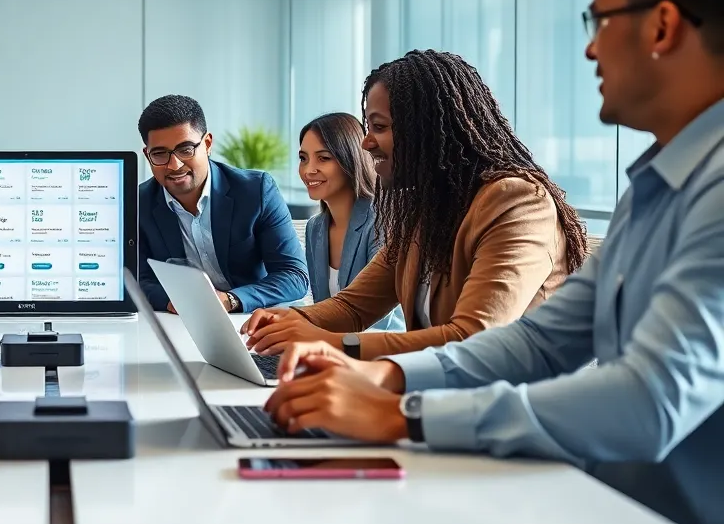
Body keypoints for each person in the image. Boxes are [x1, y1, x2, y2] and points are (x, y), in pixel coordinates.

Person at [264, 0, 724, 524]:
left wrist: (404, 415)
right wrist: (384, 379)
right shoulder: (657, 187)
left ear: (662, 27)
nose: (590, 51)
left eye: (599, 19)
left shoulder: (707, 191)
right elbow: (538, 344)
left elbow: (650, 400)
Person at [241, 50, 587, 360]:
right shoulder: (426, 212)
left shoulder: (517, 202)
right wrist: (290, 321)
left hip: (512, 412)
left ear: (428, 130)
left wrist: (331, 344)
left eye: (379, 127)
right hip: (442, 398)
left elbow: (473, 339)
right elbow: (353, 305)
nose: (366, 142)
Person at [136, 94, 308, 313]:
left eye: (186, 149)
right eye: (160, 154)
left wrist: (230, 299)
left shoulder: (256, 191)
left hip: (250, 318)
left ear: (207, 144)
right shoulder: (138, 203)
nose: (174, 165)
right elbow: (133, 280)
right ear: (147, 154)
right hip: (179, 320)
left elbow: (294, 276)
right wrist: (171, 301)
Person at [297, 113, 403, 331]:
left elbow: (380, 318)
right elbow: (324, 308)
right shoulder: (315, 228)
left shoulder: (382, 218)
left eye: (323, 158)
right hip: (333, 349)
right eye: (303, 158)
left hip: (380, 348)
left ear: (350, 158)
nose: (308, 170)